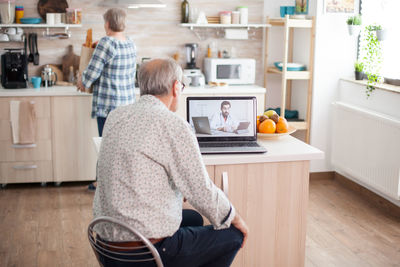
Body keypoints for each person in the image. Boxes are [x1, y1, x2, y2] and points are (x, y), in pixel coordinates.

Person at [93, 58, 249, 267]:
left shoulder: (115, 116)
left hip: (106, 246)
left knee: (192, 218)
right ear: (176, 87)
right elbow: (201, 191)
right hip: (145, 253)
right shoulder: (173, 124)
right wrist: (236, 218)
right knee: (232, 235)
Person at [77, 8, 136, 191]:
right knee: (123, 147)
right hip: (127, 104)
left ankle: (103, 184)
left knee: (106, 146)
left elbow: (92, 72)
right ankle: (120, 183)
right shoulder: (130, 43)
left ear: (107, 24)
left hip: (109, 105)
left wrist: (82, 81)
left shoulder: (106, 43)